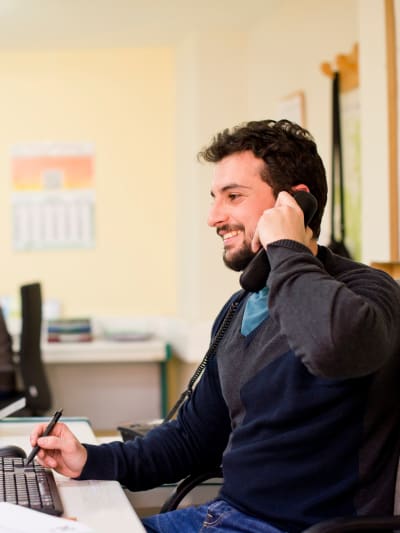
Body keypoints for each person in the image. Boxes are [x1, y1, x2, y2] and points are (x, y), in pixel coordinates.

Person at [30, 119, 400, 533]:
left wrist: (286, 247)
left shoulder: (369, 292)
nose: (214, 217)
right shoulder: (243, 304)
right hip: (221, 517)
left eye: (233, 196)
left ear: (295, 204)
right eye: (214, 198)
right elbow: (192, 438)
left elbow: (331, 348)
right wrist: (90, 460)